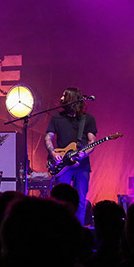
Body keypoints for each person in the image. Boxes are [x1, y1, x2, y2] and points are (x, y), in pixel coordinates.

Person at [44, 87, 97, 224]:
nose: (61, 98)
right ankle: (62, 227)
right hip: (63, 164)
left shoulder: (88, 119)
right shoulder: (56, 117)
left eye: (64, 96)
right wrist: (53, 152)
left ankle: (78, 230)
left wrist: (84, 153)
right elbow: (48, 138)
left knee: (80, 199)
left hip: (82, 165)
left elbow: (92, 142)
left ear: (72, 99)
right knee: (61, 199)